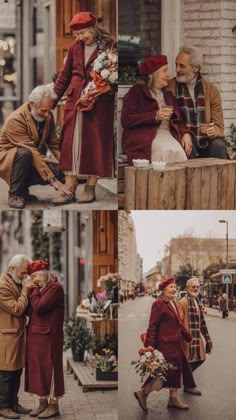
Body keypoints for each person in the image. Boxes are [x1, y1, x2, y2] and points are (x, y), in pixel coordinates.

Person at [52, 11, 117, 205]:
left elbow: (119, 73)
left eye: (83, 33)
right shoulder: (75, 48)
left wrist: (109, 87)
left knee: (95, 143)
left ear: (93, 28)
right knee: (70, 144)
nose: (80, 38)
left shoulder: (110, 45)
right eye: (77, 35)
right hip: (74, 100)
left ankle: (90, 187)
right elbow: (64, 76)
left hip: (99, 102)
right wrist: (52, 99)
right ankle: (69, 189)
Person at [0, 85, 71, 209]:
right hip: (7, 160)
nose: (47, 114)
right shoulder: (15, 119)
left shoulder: (47, 116)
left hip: (30, 157)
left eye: (49, 110)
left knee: (58, 171)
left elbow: (54, 143)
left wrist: (67, 167)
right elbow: (32, 151)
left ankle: (23, 192)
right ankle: (14, 194)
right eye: (43, 110)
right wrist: (53, 180)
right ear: (32, 104)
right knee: (25, 153)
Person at [134, 277, 196, 413]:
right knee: (162, 372)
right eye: (171, 287)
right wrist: (149, 348)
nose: (174, 289)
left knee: (175, 372)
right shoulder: (159, 304)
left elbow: (178, 324)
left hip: (175, 344)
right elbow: (152, 326)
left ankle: (173, 399)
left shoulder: (172, 302)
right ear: (163, 290)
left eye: (175, 287)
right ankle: (143, 393)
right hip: (166, 346)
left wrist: (188, 336)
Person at [121, 55, 192, 165]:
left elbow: (179, 121)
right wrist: (154, 116)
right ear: (152, 74)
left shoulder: (168, 95)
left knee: (179, 153)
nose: (168, 75)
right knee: (162, 151)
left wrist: (186, 134)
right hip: (144, 136)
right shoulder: (136, 92)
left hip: (168, 135)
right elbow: (126, 120)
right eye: (164, 71)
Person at [168, 45, 227, 159]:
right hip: (183, 138)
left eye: (182, 66)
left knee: (219, 146)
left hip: (205, 141)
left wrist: (213, 130)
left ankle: (219, 177)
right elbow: (170, 121)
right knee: (187, 149)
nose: (177, 69)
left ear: (196, 68)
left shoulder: (211, 90)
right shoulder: (170, 87)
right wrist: (184, 133)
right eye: (176, 64)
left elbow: (219, 125)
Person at [25, 260, 65, 419]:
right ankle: (42, 402)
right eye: (32, 277)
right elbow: (30, 310)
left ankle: (53, 405)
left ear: (45, 273)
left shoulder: (55, 288)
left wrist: (33, 290)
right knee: (38, 369)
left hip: (50, 337)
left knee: (52, 369)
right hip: (35, 336)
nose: (34, 280)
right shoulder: (40, 288)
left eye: (36, 276)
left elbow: (40, 306)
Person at [0, 254, 33, 419]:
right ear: (12, 269)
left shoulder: (15, 281)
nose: (25, 276)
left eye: (26, 273)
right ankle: (3, 406)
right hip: (7, 337)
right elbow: (17, 309)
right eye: (22, 273)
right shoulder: (2, 286)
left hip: (17, 335)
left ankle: (13, 403)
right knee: (6, 374)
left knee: (17, 371)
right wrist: (26, 290)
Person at [177, 277, 213, 395]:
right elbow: (179, 324)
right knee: (187, 363)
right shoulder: (182, 302)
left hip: (197, 338)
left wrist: (208, 339)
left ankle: (185, 380)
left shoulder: (197, 301)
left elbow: (202, 322)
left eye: (197, 287)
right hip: (187, 339)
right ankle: (187, 384)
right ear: (187, 288)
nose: (196, 288)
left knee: (200, 359)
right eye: (193, 286)